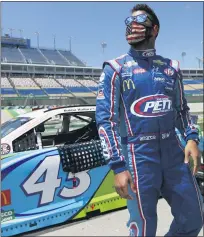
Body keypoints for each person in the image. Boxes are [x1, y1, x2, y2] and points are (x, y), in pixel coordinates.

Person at [95, 3, 203, 237]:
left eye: (139, 21)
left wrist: (192, 138)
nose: (131, 26)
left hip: (174, 153)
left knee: (193, 218)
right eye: (128, 21)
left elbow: (182, 110)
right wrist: (117, 166)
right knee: (144, 228)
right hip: (137, 156)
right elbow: (106, 121)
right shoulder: (115, 68)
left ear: (155, 29)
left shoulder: (171, 68)